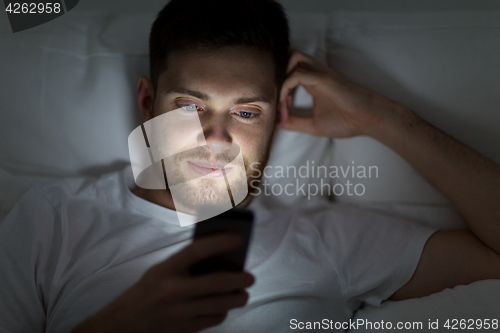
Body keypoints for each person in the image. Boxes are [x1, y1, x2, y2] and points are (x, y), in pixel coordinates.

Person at [0, 0, 499, 332]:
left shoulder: (328, 240)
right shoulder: (52, 220)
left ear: (277, 118)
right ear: (148, 103)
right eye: (190, 107)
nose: (216, 138)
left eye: (245, 112)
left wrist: (386, 120)